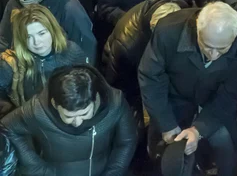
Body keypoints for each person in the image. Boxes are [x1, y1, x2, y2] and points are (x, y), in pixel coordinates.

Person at [138, 2, 237, 176]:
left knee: (228, 145)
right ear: (197, 28)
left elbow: (231, 93)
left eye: (222, 49)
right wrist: (166, 124)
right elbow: (151, 77)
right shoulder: (169, 30)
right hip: (174, 94)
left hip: (214, 97)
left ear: (235, 36)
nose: (213, 55)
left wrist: (199, 129)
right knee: (166, 154)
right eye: (207, 45)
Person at [3, 65, 137, 175]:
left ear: (95, 99)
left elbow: (127, 141)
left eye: (85, 114)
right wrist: (36, 167)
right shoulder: (38, 110)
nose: (77, 122)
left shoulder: (115, 103)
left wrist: (113, 173)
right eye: (68, 116)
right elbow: (7, 127)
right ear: (55, 104)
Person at [103, 0, 186, 112]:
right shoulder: (128, 45)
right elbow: (118, 86)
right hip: (123, 68)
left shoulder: (174, 6)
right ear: (154, 28)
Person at [0, 5, 87, 113]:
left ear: (52, 30)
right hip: (30, 120)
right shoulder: (11, 63)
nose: (37, 42)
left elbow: (88, 87)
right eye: (28, 37)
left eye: (42, 33)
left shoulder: (72, 52)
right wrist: (10, 110)